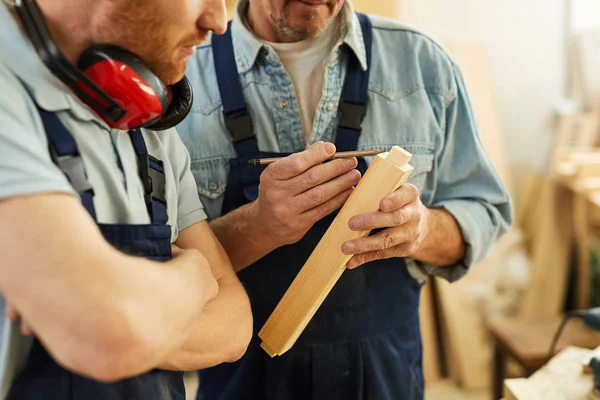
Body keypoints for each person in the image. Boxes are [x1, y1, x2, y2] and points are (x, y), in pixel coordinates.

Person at [178, 0, 513, 398]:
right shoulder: (178, 76)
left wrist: (423, 230)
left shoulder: (423, 64)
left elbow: (484, 213)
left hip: (383, 377)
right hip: (240, 379)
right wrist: (258, 227)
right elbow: (153, 268)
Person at [0, 0, 253, 399]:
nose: (218, 20)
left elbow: (234, 326)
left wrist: (122, 316)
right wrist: (196, 274)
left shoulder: (147, 121)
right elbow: (105, 335)